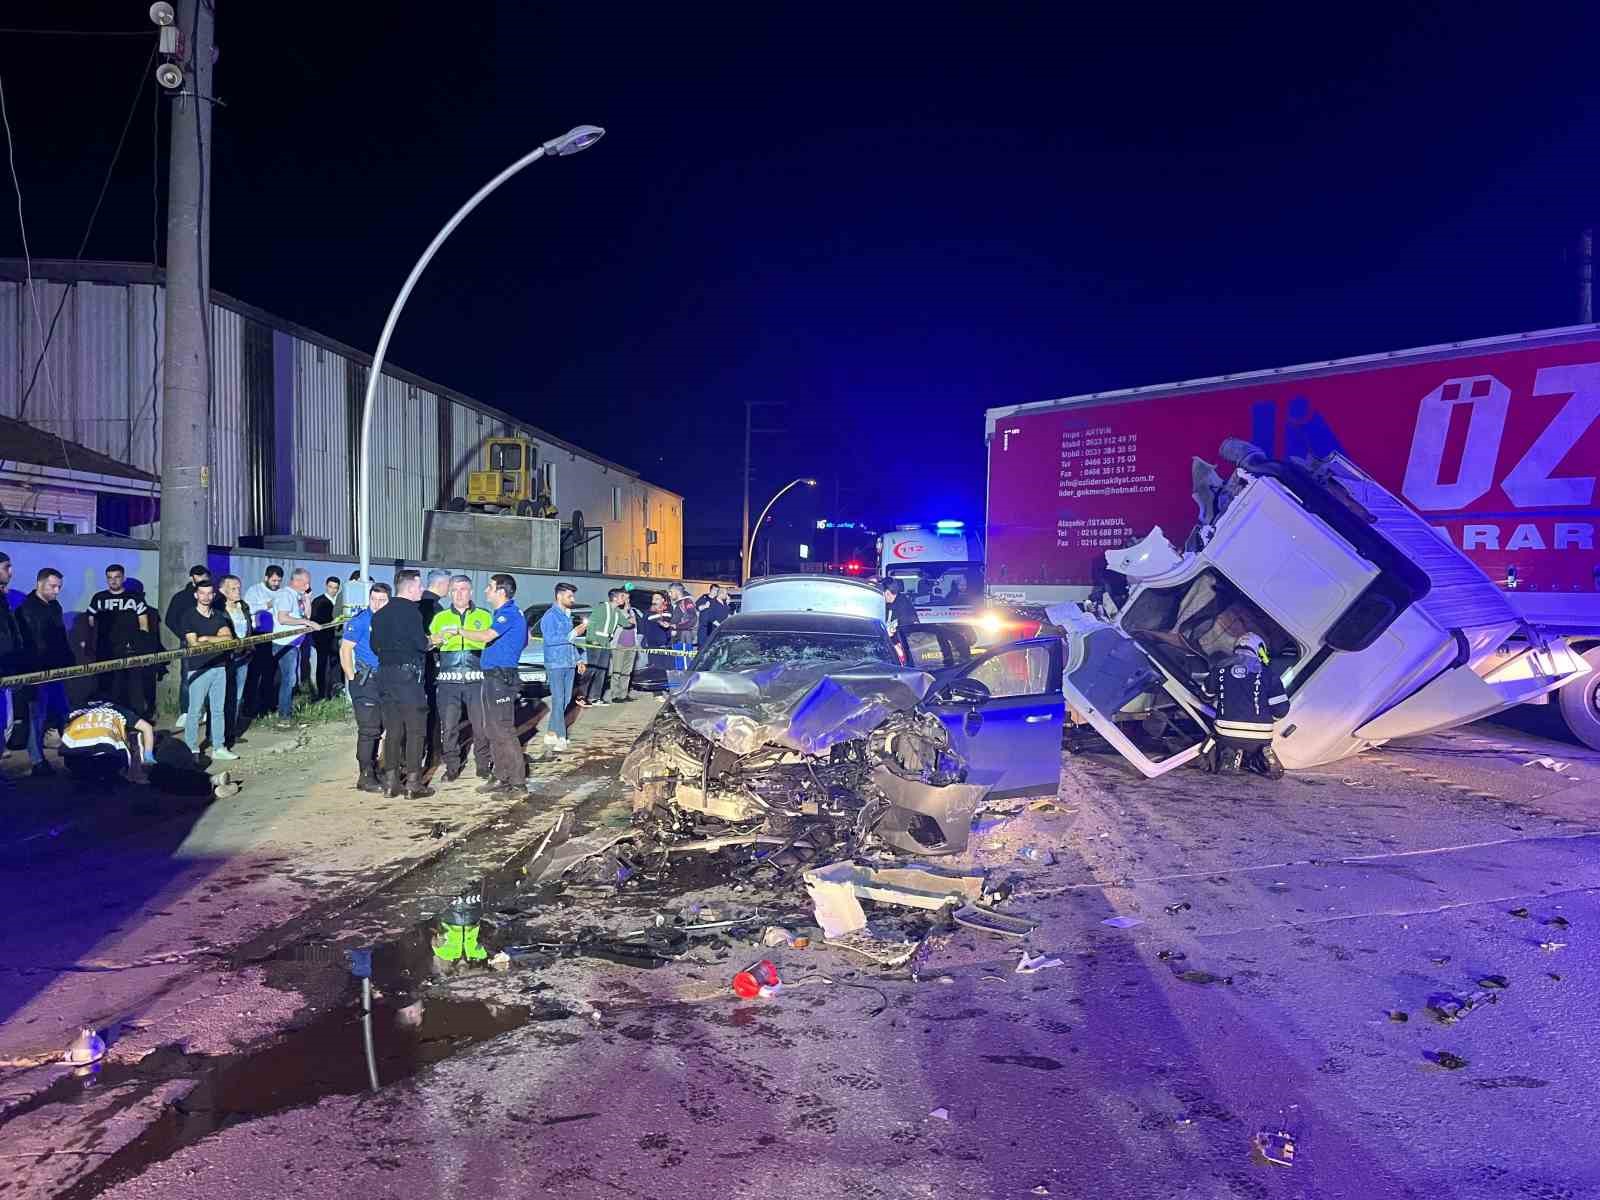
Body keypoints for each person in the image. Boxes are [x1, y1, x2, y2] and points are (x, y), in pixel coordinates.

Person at [370, 569, 433, 798]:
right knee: (416, 728)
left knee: (393, 730)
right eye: (419, 586)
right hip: (408, 677)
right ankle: (414, 783)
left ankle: (390, 782)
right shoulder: (412, 613)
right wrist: (433, 640)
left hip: (385, 676)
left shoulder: (379, 615)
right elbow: (420, 644)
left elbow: (375, 645)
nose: (422, 589)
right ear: (409, 588)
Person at [468, 574, 530, 793]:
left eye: (490, 587)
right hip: (494, 676)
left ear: (501, 592)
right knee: (492, 729)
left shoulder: (509, 613)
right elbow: (525, 640)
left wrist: (458, 631)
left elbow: (486, 636)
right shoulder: (504, 614)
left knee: (503, 729)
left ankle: (517, 782)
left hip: (501, 677)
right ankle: (500, 776)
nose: (486, 591)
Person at [427, 574, 492, 782]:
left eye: (463, 589)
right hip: (448, 681)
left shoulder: (485, 615)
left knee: (481, 725)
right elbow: (430, 645)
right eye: (454, 590)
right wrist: (436, 639)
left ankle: (483, 765)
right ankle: (452, 767)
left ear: (471, 591)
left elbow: (492, 645)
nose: (458, 594)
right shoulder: (440, 618)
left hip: (477, 679)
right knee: (449, 726)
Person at [1198, 632, 1291, 779]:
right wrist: (1269, 718)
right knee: (1255, 745)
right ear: (1260, 650)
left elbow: (1205, 696)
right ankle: (1262, 756)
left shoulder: (1220, 668)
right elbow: (1281, 709)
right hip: (1261, 734)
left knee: (1217, 736)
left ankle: (1227, 755)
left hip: (1227, 733)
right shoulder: (1269, 674)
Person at [17, 567, 73, 777]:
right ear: (39, 583)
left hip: (55, 670)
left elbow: (60, 636)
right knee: (36, 716)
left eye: (59, 586)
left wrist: (67, 658)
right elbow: (29, 643)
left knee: (63, 712)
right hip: (37, 672)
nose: (56, 591)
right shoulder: (26, 609)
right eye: (52, 586)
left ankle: (73, 752)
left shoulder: (55, 607)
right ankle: (37, 761)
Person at [176, 578, 238, 760]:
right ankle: (191, 747)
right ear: (196, 595)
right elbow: (194, 644)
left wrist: (208, 638)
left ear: (213, 595)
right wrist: (214, 638)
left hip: (219, 666)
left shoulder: (219, 615)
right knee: (195, 710)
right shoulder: (188, 616)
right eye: (202, 593)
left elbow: (229, 639)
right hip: (198, 668)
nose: (206, 597)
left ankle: (218, 746)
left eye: (209, 593)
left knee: (218, 710)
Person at [340, 581, 390, 794]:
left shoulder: (391, 620)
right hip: (365, 680)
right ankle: (366, 775)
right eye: (374, 599)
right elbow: (345, 650)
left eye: (382, 600)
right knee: (369, 730)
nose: (377, 604)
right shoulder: (360, 621)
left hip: (386, 680)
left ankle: (377, 768)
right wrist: (352, 677)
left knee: (383, 727)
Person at [86, 564, 152, 714]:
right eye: (109, 578)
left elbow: (144, 626)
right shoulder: (99, 598)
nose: (113, 581)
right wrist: (89, 645)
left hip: (131, 650)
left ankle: (135, 720)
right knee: (107, 686)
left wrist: (143, 648)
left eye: (116, 577)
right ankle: (110, 720)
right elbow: (90, 625)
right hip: (105, 650)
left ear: (123, 578)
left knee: (133, 687)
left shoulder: (134, 599)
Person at [58, 698, 155, 785]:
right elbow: (147, 727)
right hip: (108, 760)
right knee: (137, 735)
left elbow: (56, 723)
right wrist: (148, 757)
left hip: (74, 761)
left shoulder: (76, 709)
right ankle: (137, 773)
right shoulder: (119, 710)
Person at [538, 582, 586, 753]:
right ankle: (560, 737)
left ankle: (550, 732)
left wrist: (579, 659)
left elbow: (570, 643)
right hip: (556, 664)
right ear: (559, 596)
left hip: (568, 663)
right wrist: (573, 633)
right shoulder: (550, 616)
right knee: (558, 700)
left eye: (573, 596)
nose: (572, 599)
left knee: (565, 701)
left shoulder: (566, 615)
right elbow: (550, 640)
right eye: (569, 596)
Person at [164, 564, 209, 726]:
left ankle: (205, 711)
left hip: (209, 642)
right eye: (199, 576)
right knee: (187, 676)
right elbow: (170, 619)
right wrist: (185, 636)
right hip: (188, 643)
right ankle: (185, 711)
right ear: (192, 578)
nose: (202, 579)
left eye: (205, 576)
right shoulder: (181, 597)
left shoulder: (212, 597)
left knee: (209, 676)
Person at [217, 575, 252, 747]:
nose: (238, 591)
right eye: (233, 588)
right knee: (222, 698)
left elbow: (249, 628)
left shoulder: (243, 606)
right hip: (225, 658)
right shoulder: (218, 609)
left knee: (238, 696)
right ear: (223, 591)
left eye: (239, 587)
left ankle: (232, 731)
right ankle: (217, 734)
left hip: (243, 656)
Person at [579, 585, 623, 706]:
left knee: (602, 670)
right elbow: (591, 623)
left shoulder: (617, 612)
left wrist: (629, 612)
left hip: (605, 643)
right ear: (614, 598)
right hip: (595, 642)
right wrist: (592, 640)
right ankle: (581, 695)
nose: (623, 599)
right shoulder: (602, 608)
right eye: (621, 596)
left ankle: (595, 697)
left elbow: (626, 623)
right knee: (592, 669)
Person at [0, 553, 23, 757]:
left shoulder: (6, 599)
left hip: (6, 665)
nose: (11, 572)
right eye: (7, 567)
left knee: (6, 714)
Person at [309, 576, 344, 700]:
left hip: (335, 639)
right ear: (326, 586)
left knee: (336, 667)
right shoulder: (319, 601)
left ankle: (334, 692)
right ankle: (322, 694)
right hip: (323, 640)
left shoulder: (339, 601)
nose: (333, 590)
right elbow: (315, 621)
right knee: (323, 667)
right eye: (331, 587)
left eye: (335, 588)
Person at [607, 588, 641, 703]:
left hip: (631, 645)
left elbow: (635, 623)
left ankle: (623, 694)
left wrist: (629, 614)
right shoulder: (617, 611)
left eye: (628, 598)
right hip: (619, 645)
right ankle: (615, 695)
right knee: (617, 671)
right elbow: (628, 622)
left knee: (627, 672)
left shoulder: (631, 611)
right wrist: (627, 612)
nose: (627, 600)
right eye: (624, 597)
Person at [667, 583, 697, 670]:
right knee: (679, 665)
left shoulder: (686, 602)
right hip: (678, 639)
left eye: (671, 592)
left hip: (684, 639)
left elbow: (692, 619)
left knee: (685, 666)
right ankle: (681, 682)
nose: (669, 594)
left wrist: (676, 626)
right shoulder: (678, 604)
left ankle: (686, 682)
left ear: (677, 592)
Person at [695, 583, 730, 648]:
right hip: (704, 625)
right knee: (703, 644)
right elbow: (697, 607)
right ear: (710, 590)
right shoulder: (705, 597)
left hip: (712, 626)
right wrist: (705, 606)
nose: (715, 592)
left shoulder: (719, 601)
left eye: (717, 590)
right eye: (714, 590)